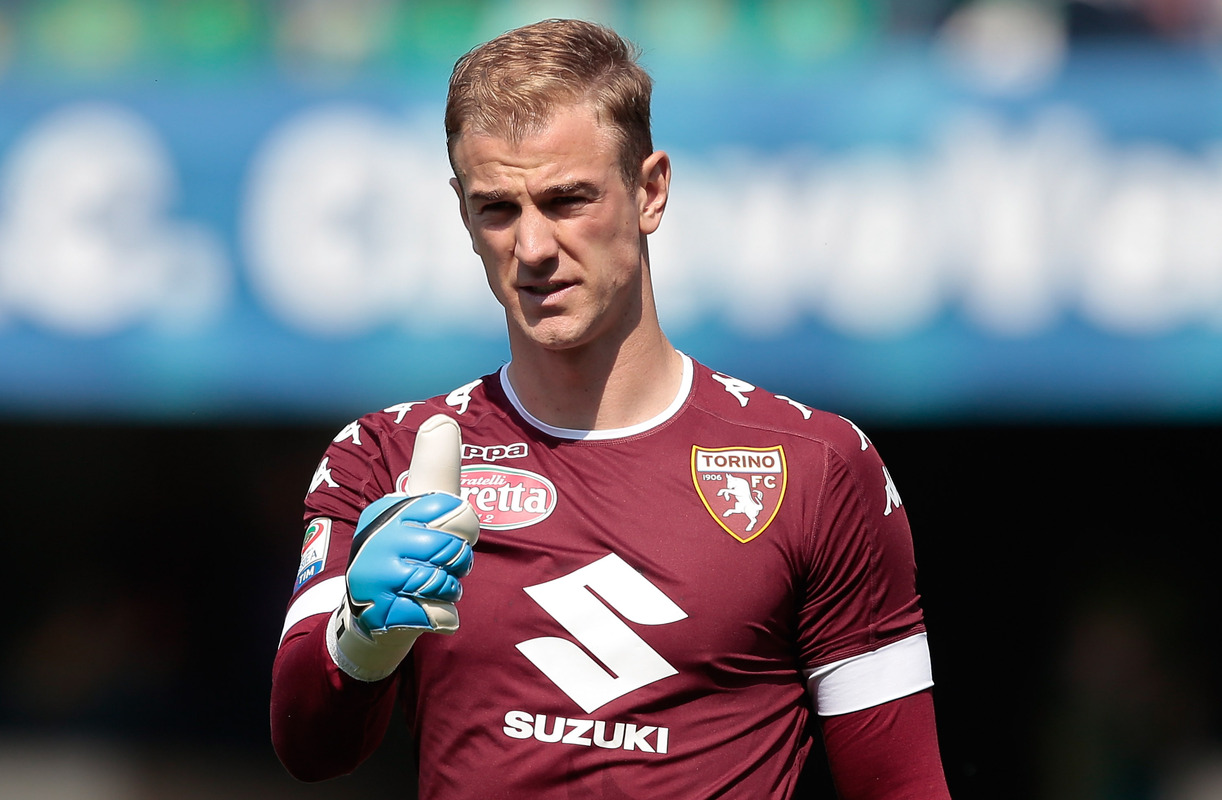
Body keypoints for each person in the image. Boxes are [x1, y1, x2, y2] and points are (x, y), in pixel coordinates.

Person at [271, 18, 951, 799]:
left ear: (650, 191)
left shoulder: (817, 467)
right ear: (462, 215)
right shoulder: (384, 455)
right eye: (497, 209)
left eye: (567, 200)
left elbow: (900, 787)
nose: (531, 247)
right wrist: (361, 638)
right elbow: (307, 749)